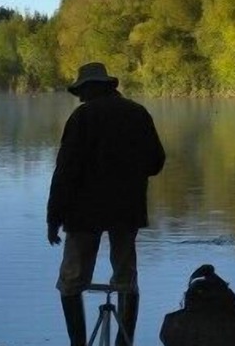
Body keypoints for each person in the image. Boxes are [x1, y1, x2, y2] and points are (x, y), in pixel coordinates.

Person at [48, 62, 166, 346]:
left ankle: (78, 344)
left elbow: (65, 171)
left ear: (92, 88)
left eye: (82, 91)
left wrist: (54, 218)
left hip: (83, 213)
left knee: (71, 280)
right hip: (127, 210)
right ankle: (124, 343)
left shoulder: (82, 117)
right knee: (126, 278)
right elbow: (156, 162)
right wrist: (129, 172)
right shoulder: (138, 113)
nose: (80, 97)